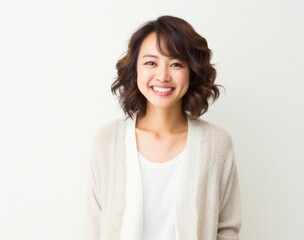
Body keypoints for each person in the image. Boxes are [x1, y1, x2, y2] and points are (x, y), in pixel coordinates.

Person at [86, 15, 241, 240]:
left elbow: (227, 228)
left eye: (176, 64)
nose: (163, 76)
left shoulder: (217, 143)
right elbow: (95, 228)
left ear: (191, 71)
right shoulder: (107, 140)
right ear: (135, 69)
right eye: (151, 62)